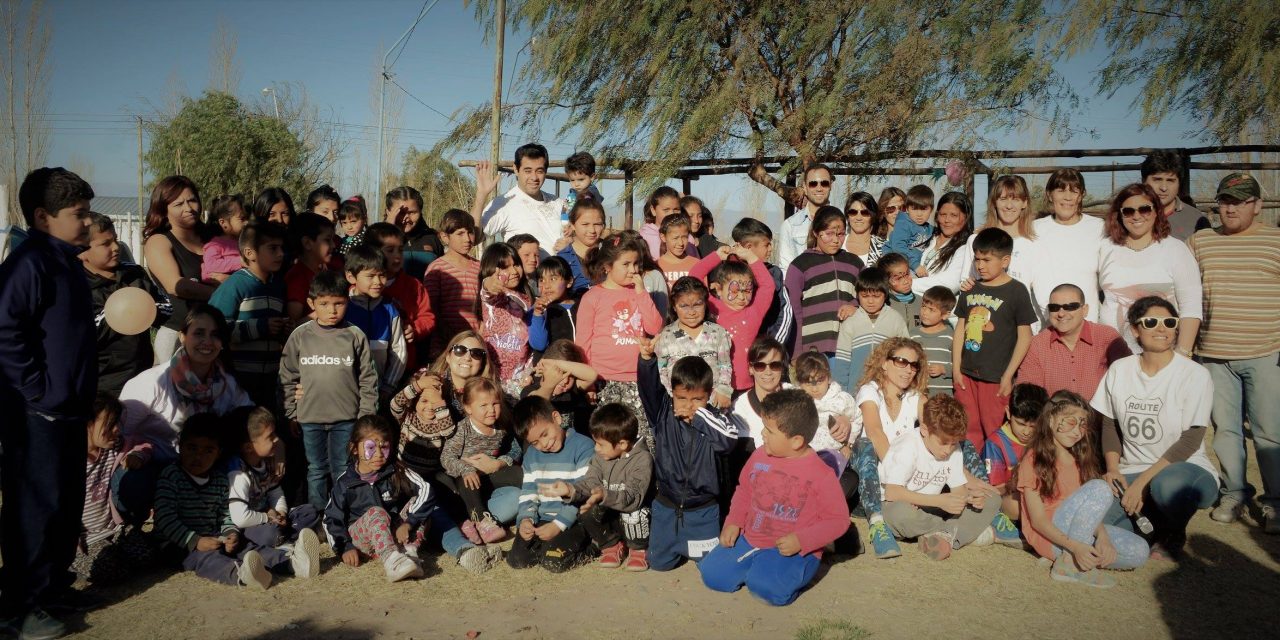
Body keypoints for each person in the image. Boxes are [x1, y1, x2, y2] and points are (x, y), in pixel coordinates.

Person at [0, 167, 95, 637]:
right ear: (42, 217)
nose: (87, 222)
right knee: (34, 509)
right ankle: (20, 608)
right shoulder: (28, 265)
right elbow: (5, 331)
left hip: (70, 411)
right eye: (78, 215)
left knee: (63, 505)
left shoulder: (68, 264)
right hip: (35, 414)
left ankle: (51, 588)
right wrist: (36, 390)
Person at [1187, 173, 1280, 531]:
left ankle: (1274, 502)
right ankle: (1234, 493)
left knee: (1269, 431)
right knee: (1225, 431)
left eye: (1241, 201)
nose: (1231, 208)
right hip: (1213, 354)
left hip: (1266, 352)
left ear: (1257, 205)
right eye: (1226, 200)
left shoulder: (1275, 241)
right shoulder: (1201, 241)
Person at [1093, 297, 1217, 559]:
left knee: (1166, 486)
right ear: (1136, 330)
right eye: (1151, 322)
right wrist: (1114, 470)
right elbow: (1110, 423)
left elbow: (1192, 439)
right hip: (1131, 470)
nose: (1162, 329)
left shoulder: (1194, 374)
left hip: (1182, 470)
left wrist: (1142, 482)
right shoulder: (1120, 369)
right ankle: (1150, 526)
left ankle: (1173, 530)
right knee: (1099, 521)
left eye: (1169, 323)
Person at [700, 389, 850, 606]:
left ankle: (770, 571)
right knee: (712, 575)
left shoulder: (820, 474)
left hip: (792, 549)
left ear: (796, 441)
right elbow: (744, 490)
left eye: (769, 431)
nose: (762, 434)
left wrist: (802, 540)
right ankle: (756, 565)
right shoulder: (760, 454)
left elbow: (838, 520)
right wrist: (734, 522)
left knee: (766, 590)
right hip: (750, 538)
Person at [115, 305, 254, 524]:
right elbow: (119, 433)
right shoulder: (151, 382)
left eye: (215, 335)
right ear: (182, 336)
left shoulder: (227, 383)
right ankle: (137, 528)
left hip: (205, 466)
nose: (207, 341)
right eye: (199, 333)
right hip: (156, 467)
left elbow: (252, 418)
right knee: (132, 483)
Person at [327, 415, 504, 580]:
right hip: (364, 542)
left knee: (421, 506)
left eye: (384, 446)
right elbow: (331, 519)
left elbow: (426, 490)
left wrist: (408, 522)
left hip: (395, 535)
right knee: (377, 513)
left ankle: (412, 555)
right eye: (370, 447)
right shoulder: (345, 483)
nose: (379, 454)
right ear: (354, 448)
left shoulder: (395, 470)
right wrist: (345, 547)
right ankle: (393, 562)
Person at [153, 413, 303, 590]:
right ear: (180, 446)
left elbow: (226, 514)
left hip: (214, 537)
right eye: (192, 448)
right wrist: (195, 541)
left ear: (218, 453)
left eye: (208, 450)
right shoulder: (171, 476)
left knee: (246, 546)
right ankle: (242, 575)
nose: (198, 456)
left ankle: (290, 563)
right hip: (178, 544)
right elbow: (165, 517)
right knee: (208, 558)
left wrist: (231, 533)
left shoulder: (219, 480)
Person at [1019, 391, 1149, 588]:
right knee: (1100, 487)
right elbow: (1038, 521)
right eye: (1071, 422)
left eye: (1082, 424)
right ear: (1051, 419)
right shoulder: (1034, 459)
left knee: (1140, 551)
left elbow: (1087, 512)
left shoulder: (1078, 459)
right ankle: (1069, 564)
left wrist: (1103, 538)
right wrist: (1076, 547)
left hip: (1077, 537)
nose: (1077, 431)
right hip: (1051, 536)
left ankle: (1070, 558)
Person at [279, 270, 379, 510]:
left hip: (346, 419)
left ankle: (341, 515)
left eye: (339, 303)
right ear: (311, 303)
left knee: (342, 468)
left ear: (348, 301)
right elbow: (287, 377)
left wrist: (365, 417)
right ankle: (317, 518)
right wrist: (291, 412)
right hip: (309, 418)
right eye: (324, 304)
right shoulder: (300, 336)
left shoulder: (355, 336)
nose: (332, 310)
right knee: (315, 469)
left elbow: (368, 379)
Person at [880, 394, 1018, 560]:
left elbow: (958, 489)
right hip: (905, 506)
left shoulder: (954, 449)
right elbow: (892, 493)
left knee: (992, 499)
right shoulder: (908, 447)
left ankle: (940, 535)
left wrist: (970, 498)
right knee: (900, 514)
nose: (948, 450)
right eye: (943, 443)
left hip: (935, 508)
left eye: (953, 443)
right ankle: (953, 533)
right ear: (925, 430)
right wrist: (941, 501)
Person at [639, 347, 740, 571]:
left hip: (703, 513)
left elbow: (729, 441)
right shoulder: (663, 415)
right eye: (681, 398)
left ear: (709, 394)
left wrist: (701, 418)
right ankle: (671, 545)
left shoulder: (715, 419)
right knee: (659, 565)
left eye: (697, 399)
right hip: (667, 508)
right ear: (672, 393)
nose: (688, 405)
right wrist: (647, 360)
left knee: (711, 568)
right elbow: (648, 389)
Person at [539, 402, 654, 571]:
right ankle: (611, 545)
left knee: (635, 513)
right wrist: (570, 490)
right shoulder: (601, 457)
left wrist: (604, 495)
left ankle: (638, 549)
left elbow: (633, 498)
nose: (596, 448)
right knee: (587, 508)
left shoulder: (642, 459)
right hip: (612, 517)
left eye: (601, 444)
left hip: (636, 517)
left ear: (622, 444)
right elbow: (591, 481)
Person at [952, 228, 1036, 450]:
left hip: (996, 379)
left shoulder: (1016, 291)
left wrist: (1008, 375)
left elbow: (1025, 336)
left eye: (987, 260)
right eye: (977, 259)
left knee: (995, 430)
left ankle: (1000, 478)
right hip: (966, 375)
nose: (980, 265)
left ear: (1005, 260)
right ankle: (973, 476)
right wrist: (956, 368)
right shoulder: (969, 289)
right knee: (968, 430)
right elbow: (961, 329)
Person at [575, 235, 664, 444]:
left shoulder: (639, 294)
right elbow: (583, 343)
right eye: (626, 264)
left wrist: (642, 293)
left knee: (641, 441)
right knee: (610, 440)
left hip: (638, 380)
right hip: (604, 381)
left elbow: (655, 326)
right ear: (607, 266)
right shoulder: (592, 297)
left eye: (636, 264)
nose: (633, 269)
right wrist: (587, 383)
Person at [1097, 183, 1202, 354]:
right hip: (1113, 354)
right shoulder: (1105, 248)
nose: (1136, 216)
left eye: (1144, 209)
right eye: (1129, 211)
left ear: (1156, 211)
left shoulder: (1175, 249)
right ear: (1120, 215)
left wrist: (1183, 354)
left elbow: (1191, 305)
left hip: (1163, 354)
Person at [849, 338, 928, 559]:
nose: (909, 370)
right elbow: (874, 431)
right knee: (865, 445)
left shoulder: (915, 398)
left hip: (897, 488)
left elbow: (934, 432)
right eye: (902, 362)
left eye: (914, 365)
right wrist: (898, 478)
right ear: (885, 363)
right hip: (867, 483)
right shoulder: (869, 391)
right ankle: (877, 524)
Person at [224, 407, 322, 579]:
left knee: (309, 512)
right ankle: (286, 545)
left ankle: (286, 540)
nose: (277, 440)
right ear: (249, 447)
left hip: (270, 519)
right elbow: (240, 518)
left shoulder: (266, 462)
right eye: (270, 437)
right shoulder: (238, 473)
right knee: (269, 533)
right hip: (248, 527)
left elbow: (275, 492)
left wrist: (281, 512)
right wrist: (268, 517)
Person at [83, 212, 172, 397]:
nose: (116, 247)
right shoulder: (75, 285)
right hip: (103, 383)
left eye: (115, 239)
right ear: (82, 251)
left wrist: (148, 309)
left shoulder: (134, 273)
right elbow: (82, 333)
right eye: (105, 244)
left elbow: (167, 307)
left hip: (142, 375)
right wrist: (115, 314)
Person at [508, 396, 597, 572]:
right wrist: (526, 518)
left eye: (544, 434)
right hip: (543, 519)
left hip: (575, 519)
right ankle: (549, 545)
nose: (544, 444)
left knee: (553, 562)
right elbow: (529, 491)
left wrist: (558, 525)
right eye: (535, 442)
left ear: (556, 418)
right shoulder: (531, 456)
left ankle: (592, 547)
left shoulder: (583, 446)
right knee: (518, 560)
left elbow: (583, 494)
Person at [208, 221, 290, 408]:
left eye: (281, 248)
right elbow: (216, 329)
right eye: (273, 248)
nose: (280, 254)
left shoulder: (278, 286)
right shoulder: (235, 285)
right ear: (249, 253)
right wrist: (261, 327)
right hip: (238, 379)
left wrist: (284, 328)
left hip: (270, 378)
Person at [74, 395, 153, 586]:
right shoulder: (68, 459)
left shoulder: (114, 447)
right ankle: (74, 565)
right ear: (88, 423)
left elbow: (143, 443)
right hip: (87, 538)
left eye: (117, 422)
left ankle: (119, 551)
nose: (117, 429)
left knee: (148, 557)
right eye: (110, 423)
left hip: (114, 527)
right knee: (110, 571)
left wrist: (137, 455)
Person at [438, 377, 524, 543]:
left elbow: (515, 450)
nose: (491, 410)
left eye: (495, 404)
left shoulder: (501, 428)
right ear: (468, 408)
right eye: (483, 405)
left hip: (489, 476)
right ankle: (482, 522)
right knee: (467, 481)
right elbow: (446, 457)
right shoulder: (463, 429)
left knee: (517, 472)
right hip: (465, 480)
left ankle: (537, 500)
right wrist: (466, 469)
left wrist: (500, 463)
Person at [145, 176, 216, 363]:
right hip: (178, 335)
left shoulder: (213, 238)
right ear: (163, 209)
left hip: (215, 332)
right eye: (178, 204)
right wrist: (224, 294)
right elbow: (175, 286)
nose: (189, 208)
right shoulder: (159, 241)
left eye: (192, 200)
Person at [689, 244, 777, 394]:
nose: (742, 297)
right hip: (715, 385)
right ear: (718, 289)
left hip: (748, 385)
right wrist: (716, 256)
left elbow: (768, 286)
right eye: (735, 291)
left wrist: (750, 257)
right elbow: (693, 278)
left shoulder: (754, 312)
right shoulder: (712, 307)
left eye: (748, 290)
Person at [1016, 283, 1131, 399]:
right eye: (1054, 308)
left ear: (1085, 310)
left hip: (1100, 416)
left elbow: (1129, 378)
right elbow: (1028, 395)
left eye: (1070, 307)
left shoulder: (1107, 337)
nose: (1061, 313)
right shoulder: (1037, 345)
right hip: (1052, 415)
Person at [785, 205, 864, 357]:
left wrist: (855, 306)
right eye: (829, 234)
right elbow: (793, 311)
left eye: (840, 234)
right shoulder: (799, 266)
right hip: (813, 350)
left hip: (850, 347)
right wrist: (796, 353)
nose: (835, 240)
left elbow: (869, 294)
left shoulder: (855, 263)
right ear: (816, 233)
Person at [1032, 169, 1104, 324]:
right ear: (1049, 195)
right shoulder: (1035, 229)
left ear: (1082, 195)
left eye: (1074, 191)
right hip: (1046, 324)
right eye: (1061, 190)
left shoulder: (1098, 228)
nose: (1067, 197)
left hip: (1087, 322)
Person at [363, 222, 436, 373]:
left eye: (400, 250)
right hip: (365, 366)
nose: (397, 256)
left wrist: (414, 330)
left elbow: (427, 317)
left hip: (402, 365)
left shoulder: (413, 285)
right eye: (390, 250)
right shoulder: (360, 286)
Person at [654, 277, 733, 407]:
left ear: (705, 303)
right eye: (684, 306)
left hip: (712, 404)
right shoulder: (665, 336)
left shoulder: (718, 333)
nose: (691, 312)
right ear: (674, 306)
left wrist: (723, 390)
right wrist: (673, 398)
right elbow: (661, 371)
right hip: (679, 405)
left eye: (697, 304)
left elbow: (724, 365)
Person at [343, 245, 407, 402]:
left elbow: (399, 351)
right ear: (351, 277)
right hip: (344, 393)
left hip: (378, 393)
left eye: (382, 275)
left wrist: (388, 386)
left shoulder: (390, 310)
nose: (378, 282)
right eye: (370, 276)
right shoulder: (342, 307)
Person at [833, 266, 910, 390]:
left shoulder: (896, 320)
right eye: (865, 296)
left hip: (888, 391)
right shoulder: (850, 322)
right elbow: (842, 361)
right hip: (856, 391)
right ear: (857, 295)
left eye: (876, 296)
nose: (870, 301)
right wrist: (841, 393)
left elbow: (906, 355)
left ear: (885, 295)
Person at [475, 144, 565, 250]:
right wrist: (481, 195)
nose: (534, 177)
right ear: (516, 169)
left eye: (539, 171)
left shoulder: (558, 203)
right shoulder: (504, 203)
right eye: (528, 171)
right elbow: (474, 238)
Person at [983, 382, 1048, 521]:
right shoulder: (995, 444)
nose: (1027, 431)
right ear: (1008, 412)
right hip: (1012, 498)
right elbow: (995, 490)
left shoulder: (1044, 439)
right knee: (1016, 507)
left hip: (1040, 496)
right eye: (1021, 424)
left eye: (1033, 426)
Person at [425, 209, 481, 358]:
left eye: (470, 232)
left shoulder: (480, 267)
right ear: (445, 237)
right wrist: (451, 337)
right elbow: (431, 309)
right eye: (460, 233)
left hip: (475, 344)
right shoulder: (437, 269)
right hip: (445, 346)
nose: (467, 239)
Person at [791, 351, 859, 476]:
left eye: (820, 381)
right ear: (800, 382)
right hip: (804, 453)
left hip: (833, 453)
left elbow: (857, 417)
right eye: (808, 382)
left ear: (828, 377)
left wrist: (848, 443)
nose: (814, 388)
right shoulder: (796, 400)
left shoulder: (841, 399)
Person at [732, 218, 793, 348]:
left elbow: (785, 312)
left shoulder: (774, 273)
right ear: (748, 247)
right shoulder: (729, 272)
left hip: (767, 347)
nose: (771, 249)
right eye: (766, 245)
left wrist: (774, 345)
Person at [476, 242, 531, 380]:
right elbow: (486, 291)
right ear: (490, 269)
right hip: (491, 376)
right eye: (505, 267)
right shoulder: (492, 299)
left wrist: (528, 371)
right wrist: (488, 282)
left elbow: (531, 343)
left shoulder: (527, 300)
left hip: (518, 379)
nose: (513, 271)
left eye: (516, 265)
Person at [390, 370, 455, 480]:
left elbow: (449, 433)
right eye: (424, 401)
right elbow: (395, 404)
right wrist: (418, 385)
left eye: (434, 402)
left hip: (431, 475)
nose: (430, 407)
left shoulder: (443, 418)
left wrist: (438, 402)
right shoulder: (408, 416)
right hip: (404, 471)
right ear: (415, 402)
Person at [911, 191, 976, 295]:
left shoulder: (966, 248)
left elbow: (950, 284)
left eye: (953, 215)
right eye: (943, 214)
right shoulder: (925, 237)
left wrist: (906, 284)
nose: (947, 220)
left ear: (966, 218)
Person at [1141, 150, 1210, 242]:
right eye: (1157, 180)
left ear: (1179, 184)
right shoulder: (1128, 215)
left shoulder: (1196, 219)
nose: (1164, 188)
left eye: (1170, 181)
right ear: (1143, 181)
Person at [283, 212, 339, 323]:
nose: (333, 245)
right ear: (307, 243)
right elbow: (293, 324)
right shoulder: (297, 277)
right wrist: (324, 313)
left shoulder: (326, 271)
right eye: (327, 240)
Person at [777, 164, 833, 271]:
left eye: (824, 183)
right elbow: (785, 268)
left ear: (831, 186)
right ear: (805, 187)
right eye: (813, 184)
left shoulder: (844, 223)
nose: (819, 188)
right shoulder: (790, 225)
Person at [385, 186, 443, 281]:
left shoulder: (432, 239)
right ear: (388, 212)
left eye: (412, 213)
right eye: (401, 213)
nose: (406, 218)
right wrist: (387, 231)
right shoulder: (376, 240)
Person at [912, 286, 957, 396]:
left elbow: (959, 365)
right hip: (918, 392)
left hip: (944, 394)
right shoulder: (912, 334)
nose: (925, 312)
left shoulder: (951, 336)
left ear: (945, 314)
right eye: (923, 306)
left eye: (931, 310)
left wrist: (944, 369)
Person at [528, 257, 578, 351]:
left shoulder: (582, 306)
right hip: (551, 363)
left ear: (569, 281)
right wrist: (538, 314)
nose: (546, 286)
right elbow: (539, 345)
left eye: (553, 279)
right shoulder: (537, 310)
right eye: (541, 280)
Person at [557, 199, 605, 296]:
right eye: (585, 224)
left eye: (597, 224)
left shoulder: (612, 253)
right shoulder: (563, 259)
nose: (592, 230)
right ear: (572, 225)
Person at [884, 184, 935, 274]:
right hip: (897, 264)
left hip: (912, 265)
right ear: (907, 208)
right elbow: (899, 247)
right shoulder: (903, 224)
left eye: (923, 209)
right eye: (914, 209)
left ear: (931, 209)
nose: (919, 214)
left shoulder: (928, 228)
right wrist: (915, 265)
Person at [201, 194, 251, 282]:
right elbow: (211, 265)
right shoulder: (215, 245)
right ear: (223, 223)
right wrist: (240, 262)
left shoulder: (243, 240)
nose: (247, 222)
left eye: (247, 218)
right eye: (242, 219)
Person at [638, 186, 691, 260]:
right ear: (653, 210)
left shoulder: (687, 237)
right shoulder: (643, 237)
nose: (672, 213)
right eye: (666, 210)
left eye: (676, 209)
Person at [843, 191, 885, 267]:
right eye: (853, 212)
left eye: (865, 213)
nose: (858, 218)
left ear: (873, 216)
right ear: (847, 216)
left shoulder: (884, 247)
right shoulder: (838, 244)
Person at [878, 253, 921, 326]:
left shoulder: (922, 303)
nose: (906, 281)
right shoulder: (882, 305)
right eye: (898, 278)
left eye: (907, 274)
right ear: (886, 281)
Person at [657, 212, 699, 288]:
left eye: (684, 237)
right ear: (663, 237)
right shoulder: (656, 267)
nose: (680, 243)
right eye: (675, 238)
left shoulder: (697, 265)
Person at [563, 151, 604, 224]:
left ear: (592, 177)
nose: (576, 184)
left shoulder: (591, 193)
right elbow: (565, 211)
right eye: (572, 180)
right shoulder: (572, 195)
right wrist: (565, 224)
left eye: (581, 179)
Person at [507, 234, 541, 298]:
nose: (533, 259)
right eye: (527, 255)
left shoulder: (541, 282)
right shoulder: (507, 284)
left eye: (537, 255)